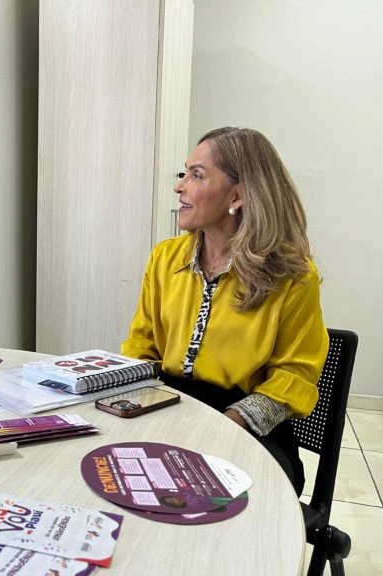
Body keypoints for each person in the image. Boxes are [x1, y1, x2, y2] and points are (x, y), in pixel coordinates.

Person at [121, 127, 328, 496]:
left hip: (245, 424)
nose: (179, 186)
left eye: (196, 175)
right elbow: (142, 344)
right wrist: (137, 400)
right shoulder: (165, 259)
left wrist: (222, 424)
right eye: (184, 173)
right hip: (167, 406)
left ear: (238, 194)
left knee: (202, 503)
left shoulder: (293, 276)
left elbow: (295, 377)